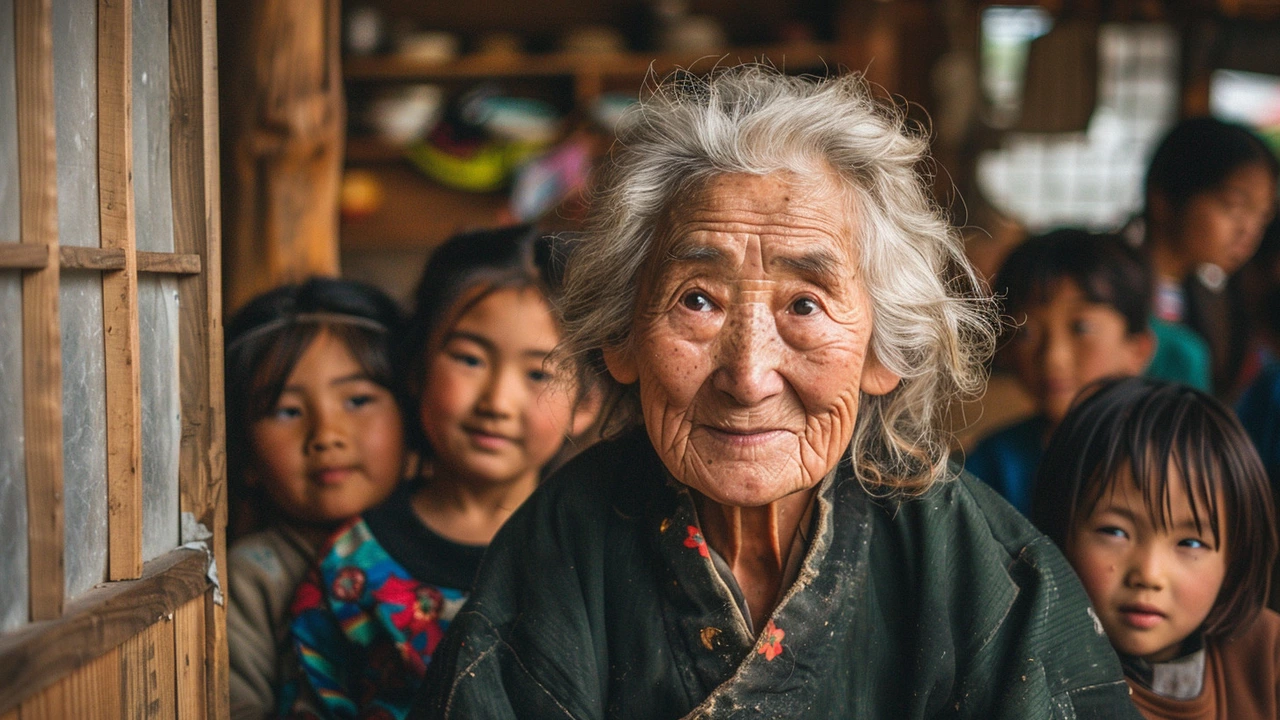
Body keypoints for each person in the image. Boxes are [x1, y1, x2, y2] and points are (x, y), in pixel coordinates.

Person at [412, 66, 1140, 719]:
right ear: (622, 339)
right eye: (698, 301)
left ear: (881, 352)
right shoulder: (561, 546)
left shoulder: (986, 573)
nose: (749, 376)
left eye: (805, 305)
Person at [283, 226, 600, 719]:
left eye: (538, 373)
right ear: (416, 367)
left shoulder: (596, 558)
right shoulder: (352, 569)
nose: (496, 401)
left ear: (587, 402)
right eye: (470, 359)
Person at [1031, 377, 1280, 718]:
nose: (1149, 574)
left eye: (1190, 542)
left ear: (1233, 560)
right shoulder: (1032, 676)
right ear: (1058, 531)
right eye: (1115, 531)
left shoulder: (1266, 657)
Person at [225, 278, 409, 720]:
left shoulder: (448, 542)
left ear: (412, 416)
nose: (326, 435)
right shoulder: (251, 579)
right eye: (287, 411)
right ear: (244, 452)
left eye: (358, 400)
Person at [965, 229, 1154, 515]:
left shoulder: (1171, 462)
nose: (1053, 357)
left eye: (1081, 329)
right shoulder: (993, 464)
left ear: (1137, 350)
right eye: (1026, 333)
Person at [1140, 117, 1278, 396]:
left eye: (1261, 218)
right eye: (1234, 207)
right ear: (1163, 198)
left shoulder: (1211, 303)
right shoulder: (1113, 288)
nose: (1248, 231)